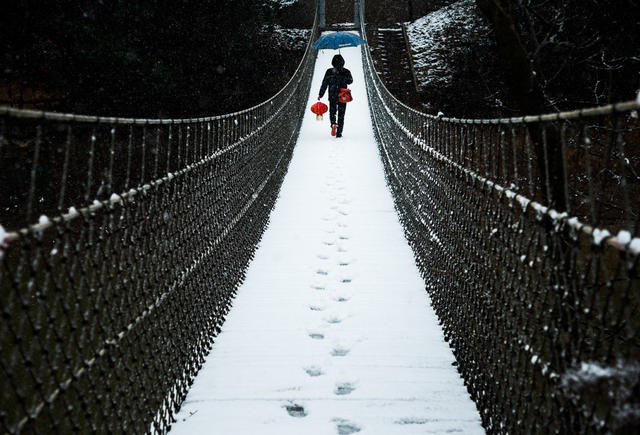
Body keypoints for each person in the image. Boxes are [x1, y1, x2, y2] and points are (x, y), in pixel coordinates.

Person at [318, 54, 353, 138]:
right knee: (341, 114)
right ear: (343, 62)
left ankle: (333, 124)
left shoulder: (329, 71)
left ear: (332, 62)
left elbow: (324, 83)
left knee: (332, 112)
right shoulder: (346, 71)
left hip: (332, 95)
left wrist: (320, 94)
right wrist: (343, 77)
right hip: (343, 96)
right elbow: (350, 81)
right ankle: (339, 132)